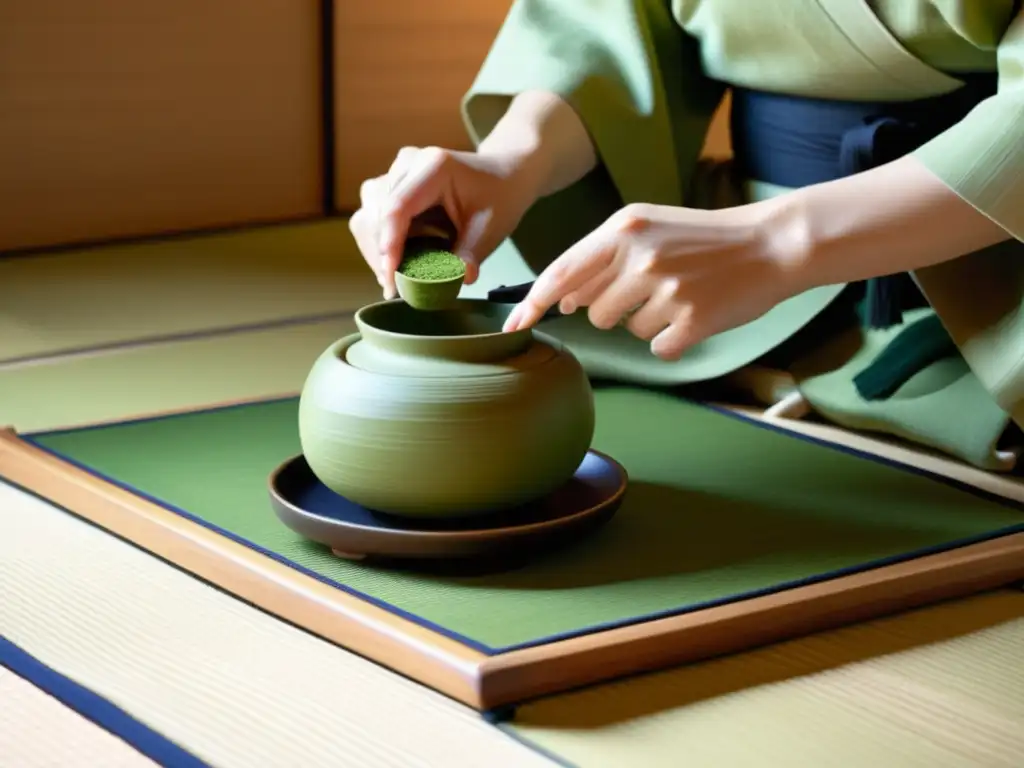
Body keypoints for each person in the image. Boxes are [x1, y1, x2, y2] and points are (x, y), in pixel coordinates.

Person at [349, 0, 1024, 471]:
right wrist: (511, 159)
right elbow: (612, 21)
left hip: (983, 233)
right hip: (739, 216)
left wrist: (777, 245)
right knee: (518, 279)